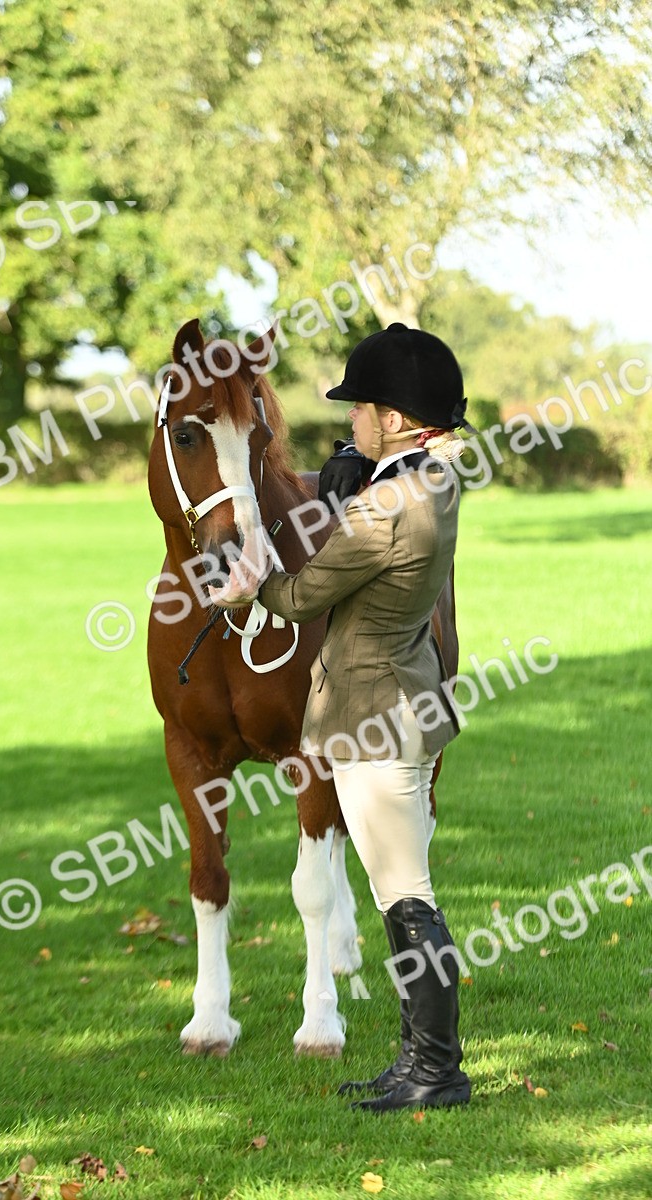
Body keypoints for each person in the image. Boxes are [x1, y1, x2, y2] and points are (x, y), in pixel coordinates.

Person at [210, 321, 476, 1112]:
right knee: (402, 895)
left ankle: (437, 1071)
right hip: (400, 703)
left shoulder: (385, 507)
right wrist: (355, 486)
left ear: (394, 419)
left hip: (375, 717)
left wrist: (249, 584)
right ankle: (418, 1061)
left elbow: (298, 598)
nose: (350, 419)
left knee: (407, 897)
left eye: (361, 407)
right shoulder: (427, 482)